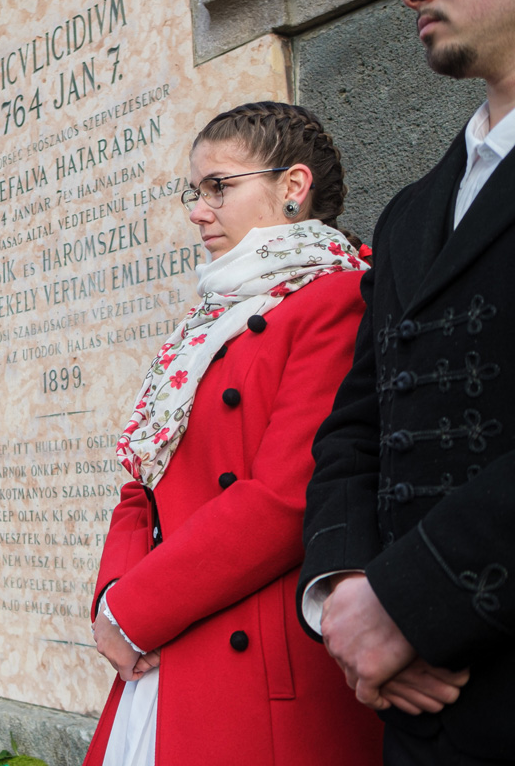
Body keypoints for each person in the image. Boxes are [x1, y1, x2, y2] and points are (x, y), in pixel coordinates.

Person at [84, 102, 381, 766]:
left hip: (248, 652)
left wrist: (139, 608)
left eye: (220, 186)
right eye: (196, 190)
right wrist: (112, 597)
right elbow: (144, 483)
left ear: (293, 188)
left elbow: (284, 497)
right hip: (161, 644)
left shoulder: (337, 299)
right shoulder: (206, 323)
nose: (198, 210)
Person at [298, 0, 515, 763]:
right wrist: (345, 594)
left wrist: (409, 602)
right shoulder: (410, 214)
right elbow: (357, 428)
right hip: (419, 715)